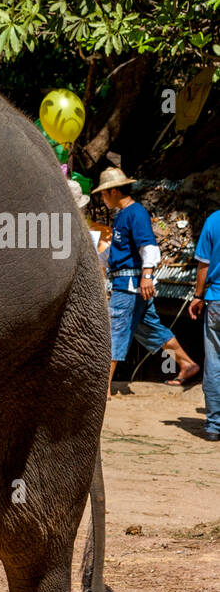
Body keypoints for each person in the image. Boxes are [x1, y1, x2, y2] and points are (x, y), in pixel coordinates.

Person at [93, 167, 199, 395]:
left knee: (115, 330)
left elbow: (148, 245)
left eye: (103, 193)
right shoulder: (122, 215)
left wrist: (147, 276)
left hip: (129, 286)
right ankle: (186, 363)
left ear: (112, 191)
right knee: (150, 328)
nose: (101, 198)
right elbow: (118, 250)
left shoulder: (135, 213)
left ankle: (104, 387)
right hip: (130, 284)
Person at [188, 208, 220, 440]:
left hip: (216, 301)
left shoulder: (214, 220)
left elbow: (204, 265)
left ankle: (214, 425)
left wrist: (198, 296)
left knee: (214, 363)